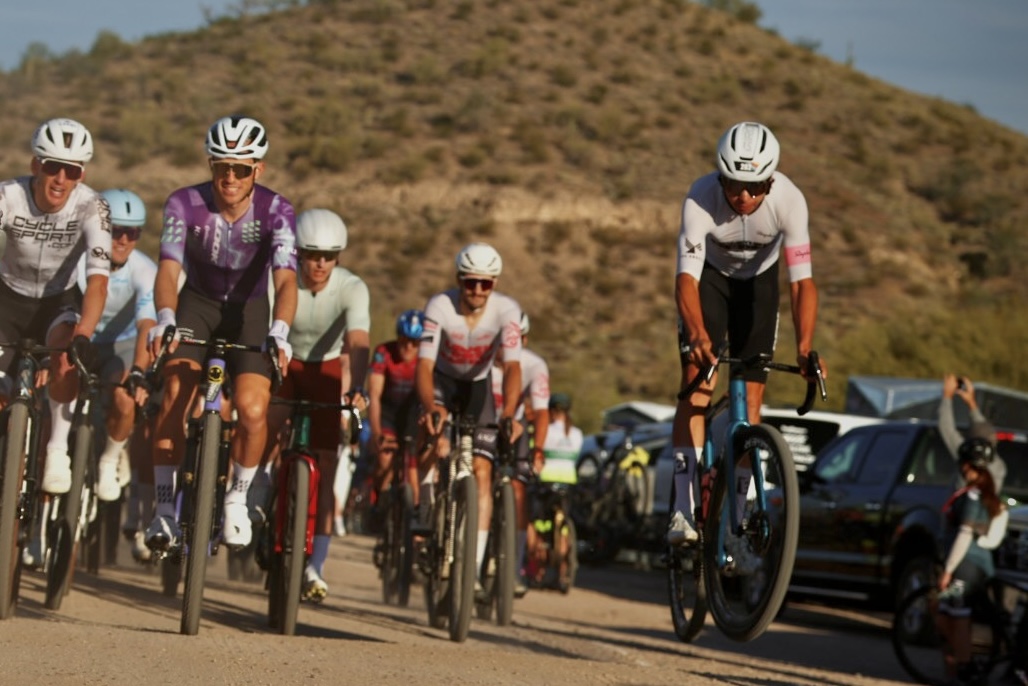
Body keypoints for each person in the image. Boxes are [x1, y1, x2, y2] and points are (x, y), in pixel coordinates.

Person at [669, 121, 828, 561]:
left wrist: (804, 348)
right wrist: (697, 333)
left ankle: (737, 521)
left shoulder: (790, 200)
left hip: (758, 285)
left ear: (770, 181)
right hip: (710, 281)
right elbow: (685, 279)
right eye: (734, 184)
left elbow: (802, 283)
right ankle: (682, 509)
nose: (743, 196)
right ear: (720, 177)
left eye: (755, 186)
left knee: (751, 403)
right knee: (698, 385)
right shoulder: (700, 198)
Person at [145, 115, 297, 553]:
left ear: (257, 170)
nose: (230, 177)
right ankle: (163, 509)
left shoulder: (277, 211)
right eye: (221, 167)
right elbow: (168, 268)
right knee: (175, 396)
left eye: (241, 169)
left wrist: (280, 331)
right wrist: (165, 316)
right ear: (211, 165)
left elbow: (287, 280)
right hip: (198, 304)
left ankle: (236, 498)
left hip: (251, 310)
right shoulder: (184, 203)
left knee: (252, 409)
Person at [262, 207, 370, 601]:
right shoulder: (280, 279)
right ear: (299, 253)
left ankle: (315, 566)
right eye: (311, 255)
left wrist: (358, 386)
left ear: (338, 257)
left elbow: (358, 341)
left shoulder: (351, 287)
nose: (320, 264)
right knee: (269, 421)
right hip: (285, 362)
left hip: (325, 369)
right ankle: (258, 488)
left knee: (325, 465)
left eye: (329, 256)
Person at [0, 118, 111, 495]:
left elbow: (98, 281)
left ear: (82, 174)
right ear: (36, 165)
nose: (61, 179)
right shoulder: (7, 196)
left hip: (58, 301)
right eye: (52, 167)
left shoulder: (93, 206)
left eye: (72, 170)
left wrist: (84, 335)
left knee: (66, 356)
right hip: (7, 299)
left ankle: (57, 450)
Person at [417, 242, 523, 595]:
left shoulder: (507, 310)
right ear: (458, 280)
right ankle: (426, 505)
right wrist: (431, 407)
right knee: (431, 434)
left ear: (494, 284)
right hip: (443, 382)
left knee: (482, 470)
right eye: (470, 282)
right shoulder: (440, 305)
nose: (477, 290)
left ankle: (472, 569)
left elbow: (512, 367)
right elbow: (424, 365)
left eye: (485, 283)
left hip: (478, 387)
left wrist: (509, 413)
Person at [77, 189, 158, 561]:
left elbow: (146, 326)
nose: (123, 239)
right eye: (116, 230)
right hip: (82, 338)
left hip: (122, 346)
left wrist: (139, 370)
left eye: (133, 232)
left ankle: (110, 456)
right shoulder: (80, 259)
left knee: (125, 398)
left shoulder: (144, 270)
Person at [935, 437, 1007, 683]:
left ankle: (965, 666)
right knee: (945, 613)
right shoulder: (982, 494)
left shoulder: (973, 497)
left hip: (966, 566)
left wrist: (948, 569)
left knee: (957, 617)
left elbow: (965, 534)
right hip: (970, 565)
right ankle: (956, 665)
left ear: (967, 465)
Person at [492, 311, 550, 595]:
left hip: (514, 430)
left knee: (519, 491)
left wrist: (538, 449)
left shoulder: (534, 365)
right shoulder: (484, 360)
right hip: (483, 425)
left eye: (516, 339)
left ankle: (514, 568)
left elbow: (541, 412)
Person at [368, 309, 423, 514]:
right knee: (385, 460)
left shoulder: (424, 359)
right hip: (387, 413)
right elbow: (374, 395)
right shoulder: (384, 352)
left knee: (413, 472)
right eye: (404, 340)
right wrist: (376, 433)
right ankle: (378, 500)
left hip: (412, 414)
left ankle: (411, 518)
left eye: (415, 342)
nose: (408, 347)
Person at [526, 392, 582, 586]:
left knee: (536, 523)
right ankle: (564, 571)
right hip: (569, 482)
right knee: (564, 522)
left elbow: (534, 452)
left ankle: (537, 568)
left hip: (546, 481)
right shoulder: (576, 434)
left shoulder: (545, 431)